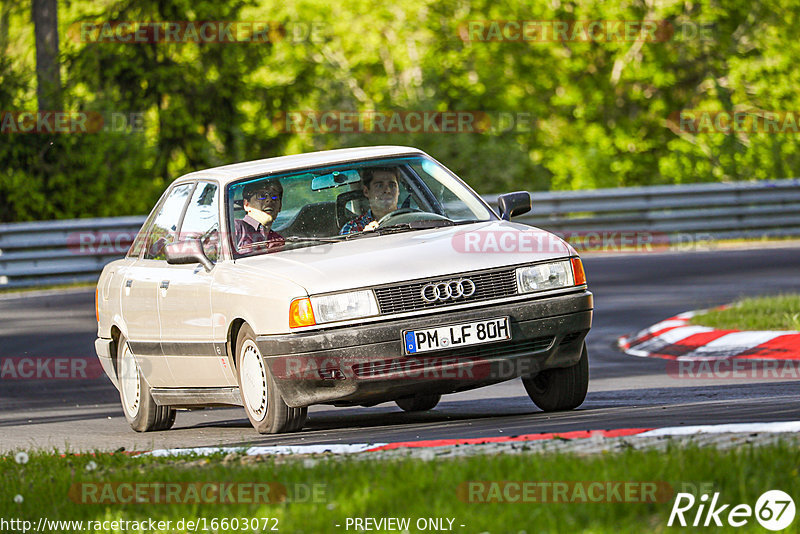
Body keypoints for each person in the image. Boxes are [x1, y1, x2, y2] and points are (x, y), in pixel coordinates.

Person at [339, 167, 400, 235]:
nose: (387, 190)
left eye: (392, 185)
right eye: (379, 186)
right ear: (366, 191)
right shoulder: (352, 228)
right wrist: (365, 237)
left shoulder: (412, 219)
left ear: (398, 191)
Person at [235, 179, 285, 251]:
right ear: (246, 204)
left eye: (274, 196)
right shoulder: (236, 228)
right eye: (262, 196)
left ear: (280, 206)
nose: (269, 200)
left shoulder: (278, 239)